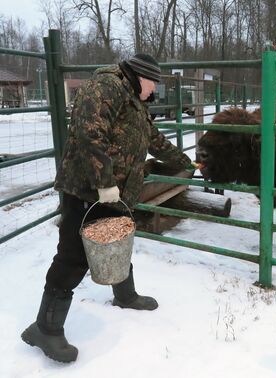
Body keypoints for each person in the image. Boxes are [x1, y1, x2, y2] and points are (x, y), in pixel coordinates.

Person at [21, 53, 192, 363]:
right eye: (153, 83)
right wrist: (103, 182)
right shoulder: (106, 88)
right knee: (74, 255)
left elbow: (151, 137)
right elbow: (90, 134)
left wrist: (184, 162)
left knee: (117, 242)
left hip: (116, 191)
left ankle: (125, 295)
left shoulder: (134, 99)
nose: (154, 90)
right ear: (140, 76)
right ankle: (45, 328)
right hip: (89, 188)